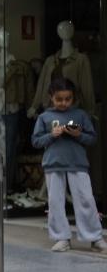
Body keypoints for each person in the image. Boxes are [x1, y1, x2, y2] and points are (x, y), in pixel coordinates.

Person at [31, 78, 105, 253]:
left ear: (73, 98)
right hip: (53, 164)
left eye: (67, 99)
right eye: (59, 99)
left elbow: (92, 139)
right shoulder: (44, 117)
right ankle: (61, 237)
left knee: (86, 199)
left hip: (77, 163)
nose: (63, 103)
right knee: (55, 202)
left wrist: (78, 135)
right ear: (51, 97)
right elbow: (35, 141)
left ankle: (95, 237)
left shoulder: (80, 115)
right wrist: (51, 135)